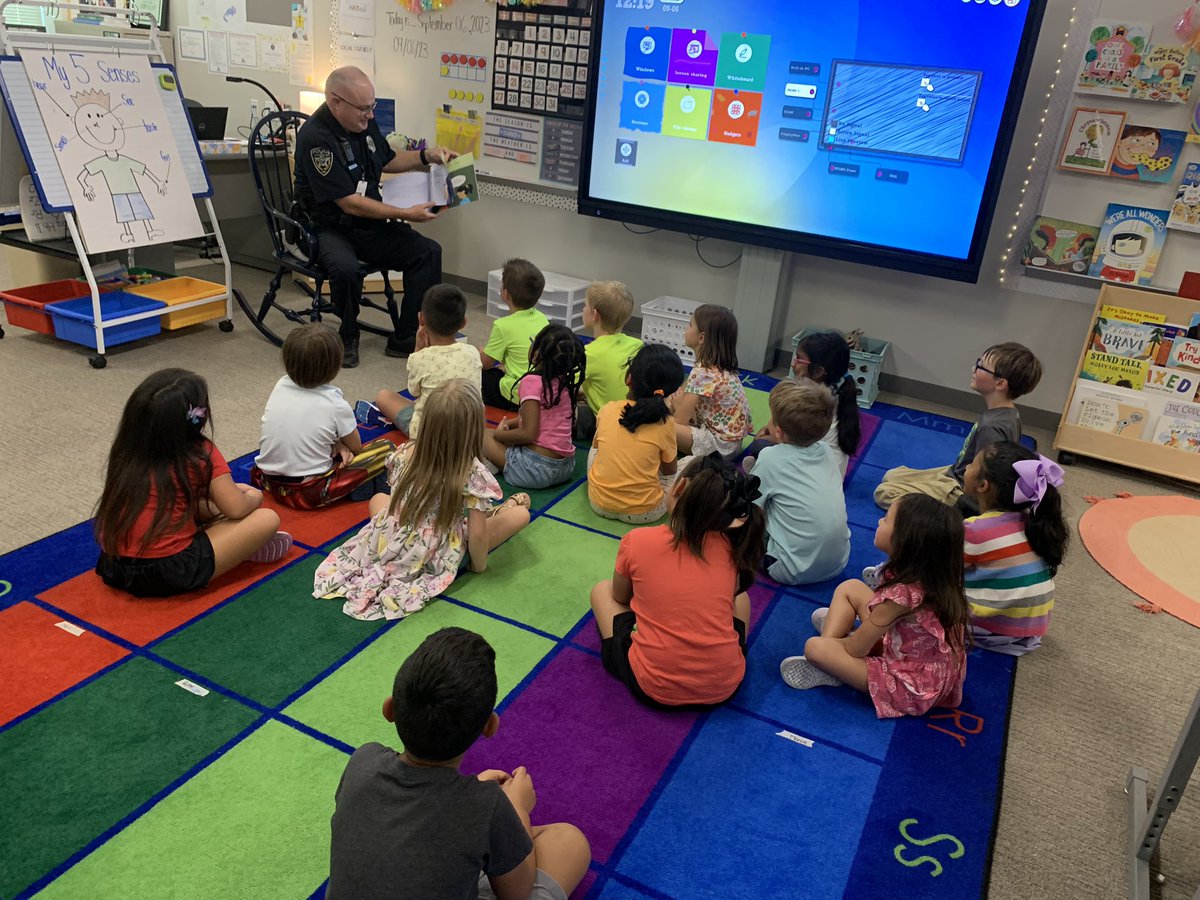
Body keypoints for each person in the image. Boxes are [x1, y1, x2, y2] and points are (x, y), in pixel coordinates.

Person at [327, 627, 591, 900]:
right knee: (570, 842)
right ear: (490, 726)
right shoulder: (487, 808)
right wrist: (517, 809)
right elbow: (517, 894)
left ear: (390, 709)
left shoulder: (363, 761)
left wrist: (479, 794)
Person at [313, 380, 531, 620]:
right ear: (472, 430)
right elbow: (478, 535)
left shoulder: (404, 451)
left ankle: (497, 510)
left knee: (379, 499)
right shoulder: (469, 470)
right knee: (520, 515)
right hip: (435, 551)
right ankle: (506, 508)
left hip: (391, 537)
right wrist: (477, 567)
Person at [292, 66, 456, 368]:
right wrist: (404, 214)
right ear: (335, 101)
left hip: (366, 224)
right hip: (327, 226)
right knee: (345, 268)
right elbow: (349, 203)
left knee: (427, 252)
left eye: (372, 107)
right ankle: (348, 331)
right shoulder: (316, 139)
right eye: (363, 109)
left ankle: (408, 335)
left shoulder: (362, 123)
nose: (370, 115)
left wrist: (426, 156)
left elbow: (388, 159)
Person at [589, 453, 766, 710]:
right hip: (725, 685)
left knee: (601, 591)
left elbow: (619, 597)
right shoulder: (732, 545)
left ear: (679, 487)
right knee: (741, 598)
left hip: (652, 686)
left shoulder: (638, 540)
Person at [94, 369, 292, 598]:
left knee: (202, 504)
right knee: (266, 518)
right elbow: (236, 508)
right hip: (170, 570)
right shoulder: (200, 451)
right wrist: (254, 495)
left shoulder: (127, 449)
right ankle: (239, 549)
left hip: (114, 565)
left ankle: (233, 546)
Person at [780, 494, 969, 719]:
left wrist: (839, 646)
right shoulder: (935, 575)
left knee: (815, 648)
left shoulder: (901, 597)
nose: (880, 521)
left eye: (887, 519)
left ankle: (829, 662)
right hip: (922, 662)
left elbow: (855, 649)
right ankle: (832, 651)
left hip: (909, 687)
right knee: (851, 587)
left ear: (904, 542)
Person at [873, 342, 1043, 512]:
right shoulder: (1008, 412)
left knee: (884, 493)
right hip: (956, 472)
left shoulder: (992, 428)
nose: (973, 368)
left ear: (1000, 383)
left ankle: (945, 517)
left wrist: (965, 505)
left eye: (980, 366)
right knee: (892, 475)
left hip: (961, 487)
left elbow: (985, 480)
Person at [251, 323, 394, 509]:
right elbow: (357, 447)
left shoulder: (281, 384)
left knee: (327, 445)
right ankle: (364, 488)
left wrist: (337, 443)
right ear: (335, 367)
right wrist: (343, 444)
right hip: (310, 493)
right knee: (387, 449)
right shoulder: (335, 403)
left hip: (267, 480)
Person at [960, 443, 1068, 655]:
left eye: (971, 464)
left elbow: (937, 569)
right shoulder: (1034, 521)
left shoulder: (974, 530)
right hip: (1029, 630)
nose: (965, 468)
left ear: (983, 485)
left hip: (988, 630)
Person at [750, 380, 850, 585]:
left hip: (789, 570)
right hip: (838, 563)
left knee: (744, 509)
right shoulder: (826, 451)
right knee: (763, 454)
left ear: (778, 431)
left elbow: (751, 511)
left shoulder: (771, 458)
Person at [363, 284, 482, 438]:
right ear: (463, 323)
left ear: (421, 318)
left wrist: (418, 348)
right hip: (468, 432)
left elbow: (413, 391)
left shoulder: (420, 358)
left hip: (429, 435)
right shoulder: (472, 352)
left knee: (383, 396)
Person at [588, 344, 685, 524]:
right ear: (670, 391)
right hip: (646, 512)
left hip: (599, 503)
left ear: (628, 379)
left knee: (594, 452)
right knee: (690, 463)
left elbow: (597, 449)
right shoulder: (666, 422)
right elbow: (669, 470)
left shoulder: (607, 409)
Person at [743, 330, 862, 477]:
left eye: (799, 359)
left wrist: (771, 433)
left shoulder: (813, 403)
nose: (793, 364)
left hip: (810, 473)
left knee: (760, 445)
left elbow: (779, 433)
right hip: (828, 476)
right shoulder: (836, 393)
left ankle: (761, 474)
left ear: (818, 371)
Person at [483, 324, 586, 490]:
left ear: (537, 352)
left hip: (535, 470)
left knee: (482, 435)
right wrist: (512, 424)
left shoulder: (531, 382)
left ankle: (489, 466)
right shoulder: (563, 383)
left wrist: (500, 435)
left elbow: (528, 434)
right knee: (501, 437)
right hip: (565, 467)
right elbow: (543, 418)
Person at [672, 304, 752, 459]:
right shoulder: (717, 367)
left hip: (719, 447)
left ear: (701, 337)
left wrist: (676, 406)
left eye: (690, 325)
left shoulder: (704, 372)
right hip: (730, 444)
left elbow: (680, 419)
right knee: (668, 403)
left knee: (661, 427)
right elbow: (683, 396)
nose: (686, 329)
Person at [575, 281, 643, 442]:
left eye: (585, 306)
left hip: (610, 425)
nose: (583, 310)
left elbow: (561, 385)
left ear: (595, 315)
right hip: (638, 418)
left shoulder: (589, 353)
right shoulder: (637, 345)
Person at [480, 258, 549, 411]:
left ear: (505, 293)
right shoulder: (542, 318)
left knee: (478, 376)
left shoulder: (503, 326)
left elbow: (485, 364)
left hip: (517, 396)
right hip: (540, 391)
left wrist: (478, 352)